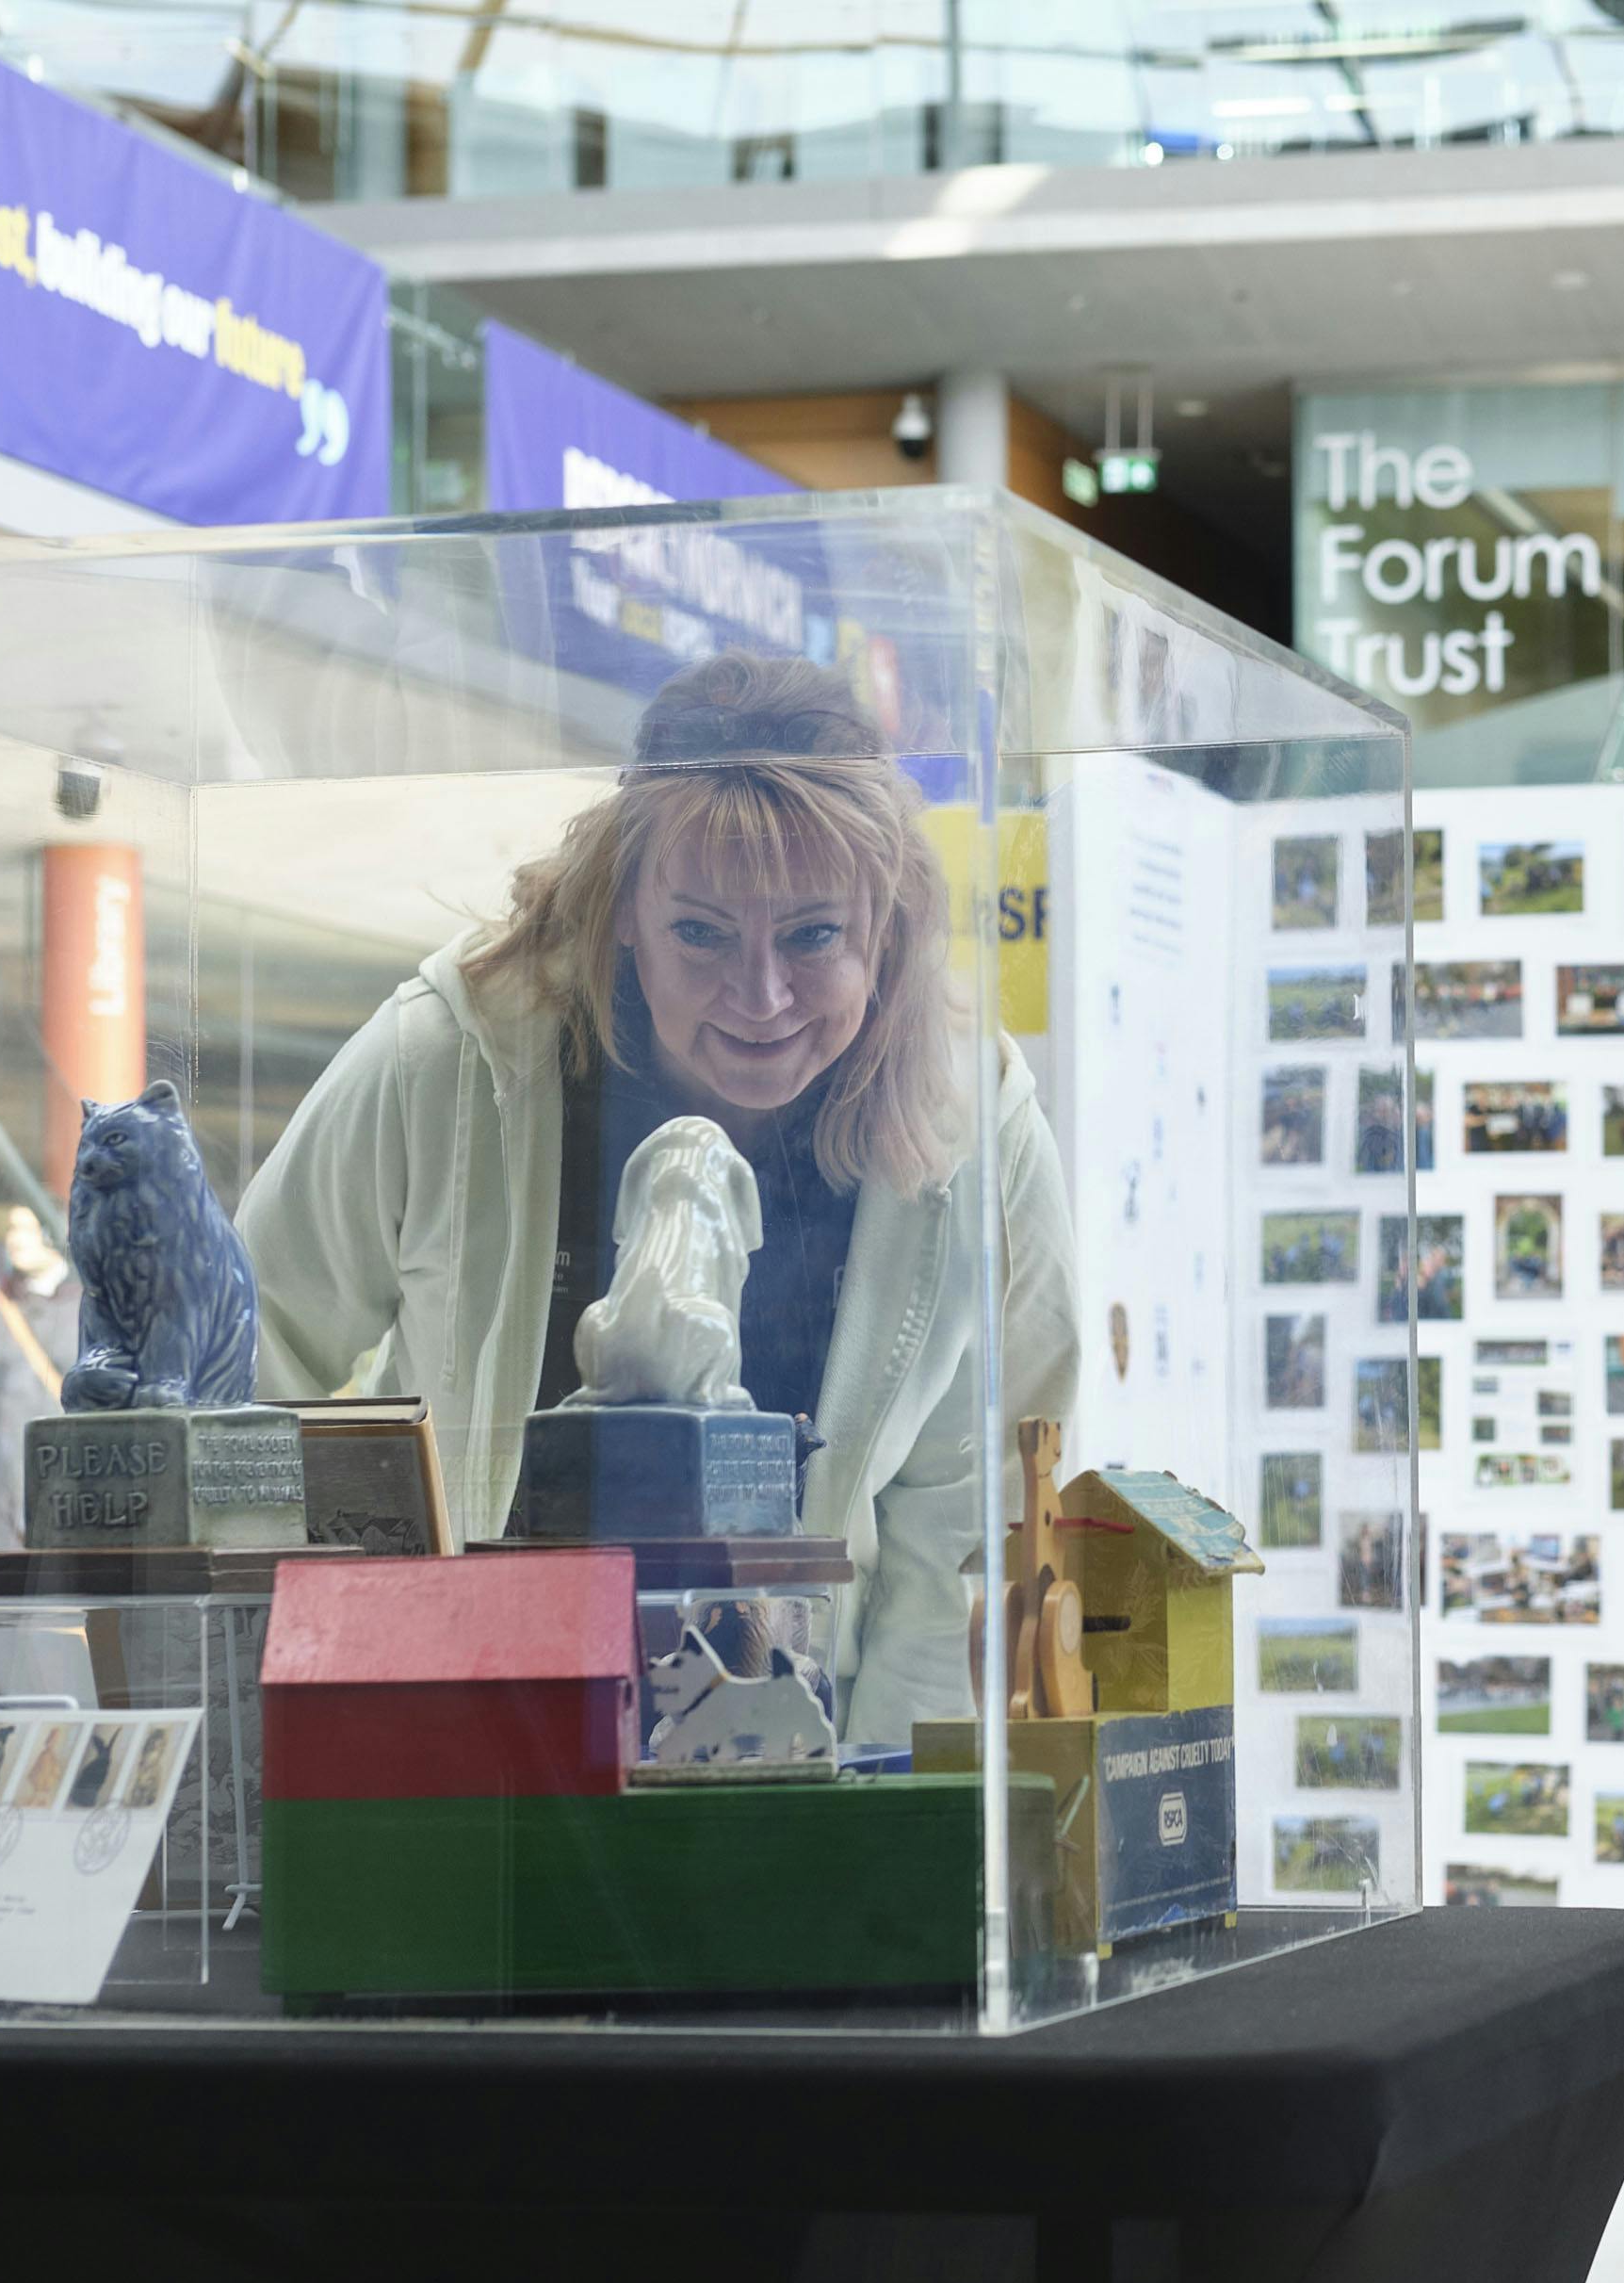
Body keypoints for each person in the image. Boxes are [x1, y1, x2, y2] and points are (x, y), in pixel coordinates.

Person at [240, 654, 1079, 1747]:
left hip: (809, 1758)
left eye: (814, 935)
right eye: (701, 932)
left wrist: (881, 1821)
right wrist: (346, 1701)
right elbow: (247, 1360)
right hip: (476, 1742)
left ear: (891, 921)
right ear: (622, 905)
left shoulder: (978, 1120)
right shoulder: (451, 1057)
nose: (760, 996)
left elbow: (961, 1534)